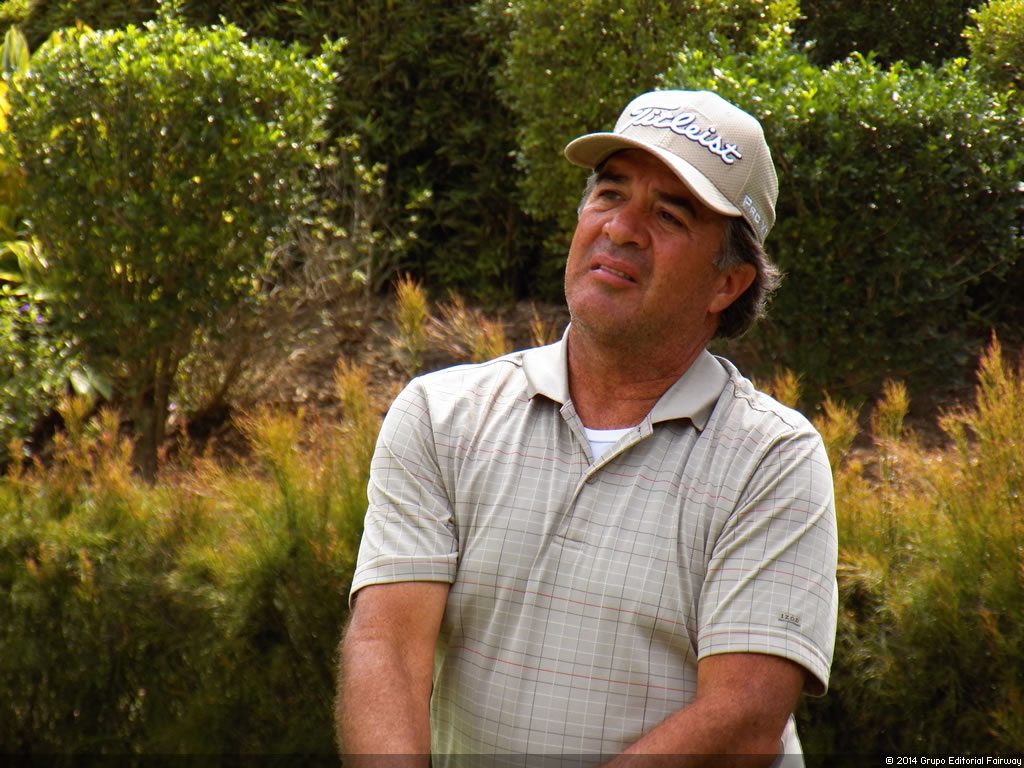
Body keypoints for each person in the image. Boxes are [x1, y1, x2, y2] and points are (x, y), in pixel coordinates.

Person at [336, 89, 839, 768]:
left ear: (727, 284)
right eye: (609, 193)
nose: (622, 228)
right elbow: (387, 648)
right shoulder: (441, 415)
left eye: (669, 214)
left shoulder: (771, 459)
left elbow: (744, 717)